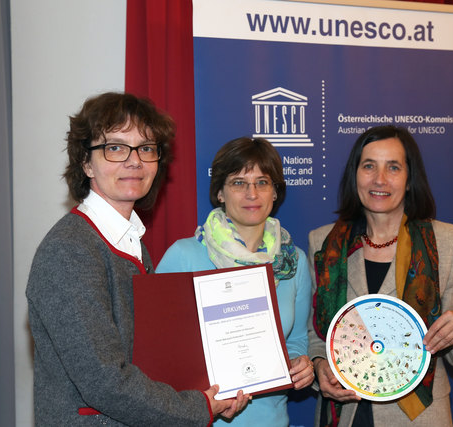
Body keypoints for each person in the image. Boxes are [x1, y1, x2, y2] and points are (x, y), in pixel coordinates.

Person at [26, 92, 248, 426]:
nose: (135, 161)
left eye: (146, 148)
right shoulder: (69, 250)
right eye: (115, 148)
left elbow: (149, 357)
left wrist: (209, 393)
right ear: (86, 163)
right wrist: (196, 407)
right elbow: (104, 381)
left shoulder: (131, 243)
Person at [308, 126, 453, 426]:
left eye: (393, 167)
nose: (379, 179)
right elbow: (317, 335)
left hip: (418, 417)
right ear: (355, 176)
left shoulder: (449, 243)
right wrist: (319, 366)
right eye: (369, 166)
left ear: (409, 179)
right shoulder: (324, 244)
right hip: (344, 414)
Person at [157, 136, 314, 426]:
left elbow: (296, 340)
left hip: (272, 419)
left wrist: (299, 363)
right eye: (239, 183)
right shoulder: (183, 256)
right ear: (219, 193)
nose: (252, 193)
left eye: (263, 182)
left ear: (275, 193)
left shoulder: (294, 262)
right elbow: (158, 353)